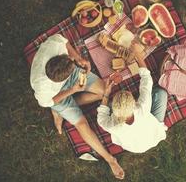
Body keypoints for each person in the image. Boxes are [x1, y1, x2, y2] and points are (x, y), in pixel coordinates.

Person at [30, 34, 124, 179]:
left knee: (103, 92)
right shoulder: (41, 86)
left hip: (71, 76)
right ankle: (110, 159)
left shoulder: (54, 46)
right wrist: (72, 90)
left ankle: (66, 108)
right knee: (81, 123)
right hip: (57, 96)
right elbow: (48, 101)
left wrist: (78, 58)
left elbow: (65, 41)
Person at [97, 40, 168, 153]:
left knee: (105, 105)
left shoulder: (111, 126)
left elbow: (101, 118)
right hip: (152, 134)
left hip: (134, 147)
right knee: (161, 93)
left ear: (114, 109)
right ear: (134, 102)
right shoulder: (142, 108)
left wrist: (106, 94)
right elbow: (147, 79)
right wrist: (138, 55)